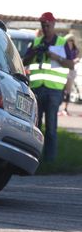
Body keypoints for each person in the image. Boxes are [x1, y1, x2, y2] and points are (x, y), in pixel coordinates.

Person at [23, 12, 76, 162]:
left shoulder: (61, 42)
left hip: (54, 90)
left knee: (51, 128)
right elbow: (24, 61)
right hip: (37, 89)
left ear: (53, 24)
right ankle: (34, 157)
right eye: (43, 25)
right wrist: (33, 52)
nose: (45, 27)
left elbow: (71, 64)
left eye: (48, 25)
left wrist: (57, 57)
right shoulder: (37, 41)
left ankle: (50, 160)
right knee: (36, 127)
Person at [60, 34, 80, 115]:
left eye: (71, 41)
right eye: (68, 41)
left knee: (68, 91)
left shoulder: (75, 50)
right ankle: (61, 108)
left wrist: (75, 60)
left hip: (71, 72)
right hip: (64, 70)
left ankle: (65, 108)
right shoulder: (64, 49)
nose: (70, 43)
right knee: (61, 90)